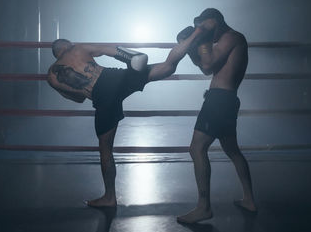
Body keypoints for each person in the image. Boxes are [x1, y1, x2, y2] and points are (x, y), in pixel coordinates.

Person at [47, 28, 203, 207]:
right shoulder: (78, 48)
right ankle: (192, 38)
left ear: (56, 54)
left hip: (100, 96)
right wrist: (131, 57)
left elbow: (79, 98)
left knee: (105, 150)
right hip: (113, 78)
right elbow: (110, 49)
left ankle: (109, 197)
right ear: (67, 45)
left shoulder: (51, 77)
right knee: (165, 67)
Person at [176, 8, 257, 224]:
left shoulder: (232, 37)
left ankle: (204, 207)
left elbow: (209, 64)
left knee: (196, 148)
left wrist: (200, 39)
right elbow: (205, 68)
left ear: (215, 21)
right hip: (225, 100)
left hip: (219, 101)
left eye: (204, 26)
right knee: (232, 149)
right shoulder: (222, 40)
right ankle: (249, 199)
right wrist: (196, 48)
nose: (201, 30)